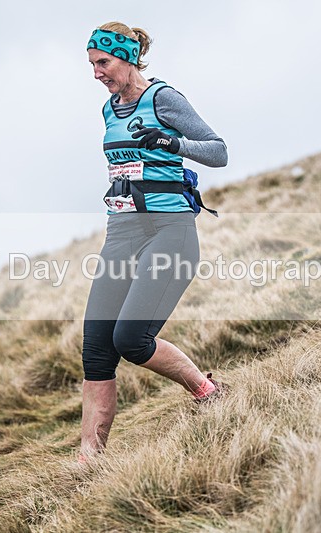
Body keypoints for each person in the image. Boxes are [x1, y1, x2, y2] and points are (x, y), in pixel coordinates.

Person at [79, 22, 229, 464]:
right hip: (123, 232)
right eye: (91, 65)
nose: (96, 74)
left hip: (170, 230)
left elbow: (218, 151)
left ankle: (207, 391)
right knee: (96, 348)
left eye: (102, 63)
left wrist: (172, 141)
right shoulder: (109, 109)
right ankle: (89, 462)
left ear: (127, 57)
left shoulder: (164, 98)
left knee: (131, 338)